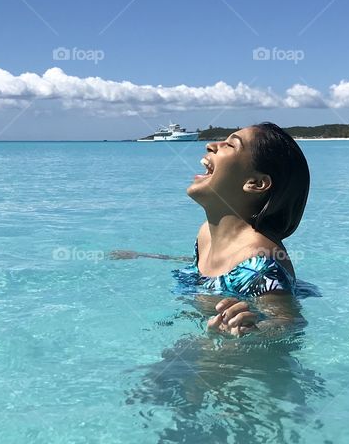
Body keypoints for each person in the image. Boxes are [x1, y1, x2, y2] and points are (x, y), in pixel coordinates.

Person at [111, 122, 310, 337]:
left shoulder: (260, 263)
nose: (211, 145)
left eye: (231, 145)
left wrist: (248, 332)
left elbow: (289, 323)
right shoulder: (206, 233)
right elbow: (212, 269)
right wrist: (148, 256)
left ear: (255, 183)